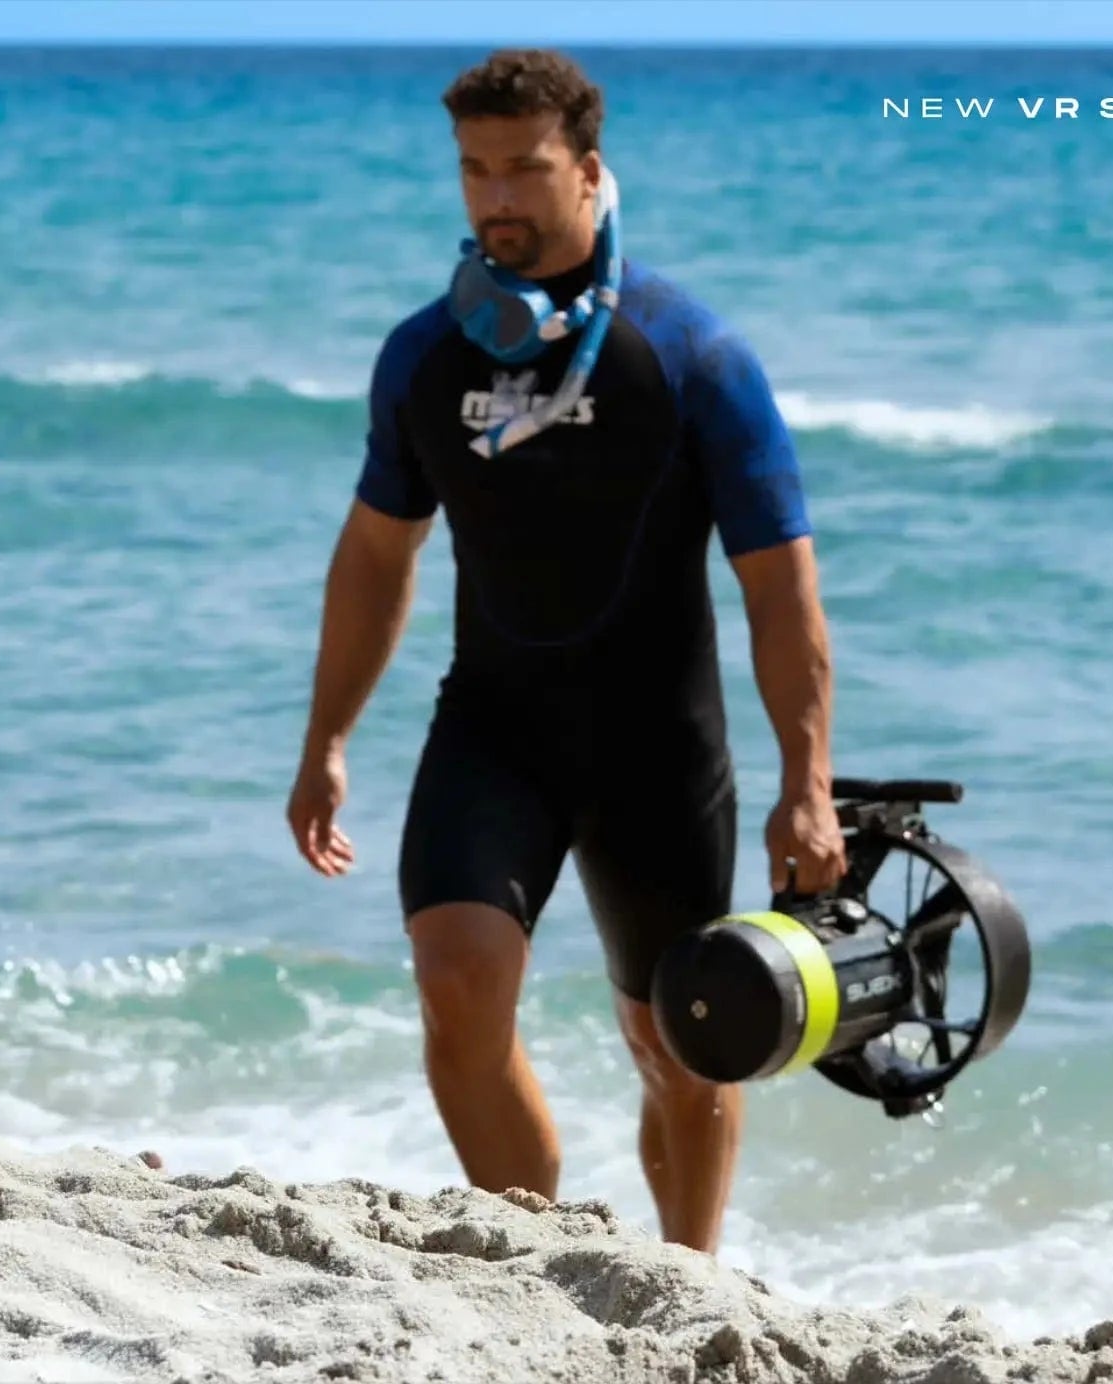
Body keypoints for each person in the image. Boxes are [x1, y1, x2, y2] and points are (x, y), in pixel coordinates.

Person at [283, 48, 843, 1254]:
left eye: (524, 170)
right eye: (473, 170)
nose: (495, 198)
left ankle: (688, 1276)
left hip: (658, 743)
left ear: (589, 174)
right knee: (455, 976)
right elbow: (377, 555)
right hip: (494, 724)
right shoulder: (426, 357)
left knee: (681, 1039)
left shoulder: (690, 354)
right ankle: (532, 1255)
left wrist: (806, 783)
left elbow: (780, 584)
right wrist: (327, 738)